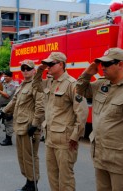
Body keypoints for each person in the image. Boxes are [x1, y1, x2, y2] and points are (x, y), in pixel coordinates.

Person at [34, 52, 88, 191]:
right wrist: (40, 69)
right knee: (53, 177)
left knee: (65, 179)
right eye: (48, 64)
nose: (48, 67)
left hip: (65, 140)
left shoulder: (71, 84)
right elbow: (36, 85)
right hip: (50, 138)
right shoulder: (50, 82)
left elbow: (81, 112)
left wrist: (76, 135)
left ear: (61, 65)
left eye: (51, 64)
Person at [76, 47, 123, 191]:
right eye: (102, 63)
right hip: (100, 155)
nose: (103, 67)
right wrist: (87, 73)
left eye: (107, 64)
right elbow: (80, 90)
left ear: (120, 64)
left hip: (119, 160)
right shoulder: (101, 85)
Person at [2, 60, 45, 191]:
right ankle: (28, 181)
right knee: (22, 157)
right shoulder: (22, 85)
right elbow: (14, 101)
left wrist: (35, 124)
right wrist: (3, 111)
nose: (25, 71)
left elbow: (40, 107)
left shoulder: (37, 85)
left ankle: (33, 184)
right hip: (20, 126)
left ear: (34, 71)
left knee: (30, 157)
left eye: (28, 68)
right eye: (23, 68)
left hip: (29, 127)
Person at [0, 71, 17, 146]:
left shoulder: (12, 85)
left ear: (10, 77)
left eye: (6, 76)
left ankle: (9, 139)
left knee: (9, 122)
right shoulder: (5, 83)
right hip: (4, 106)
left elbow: (7, 95)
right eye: (4, 76)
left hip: (9, 106)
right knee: (5, 122)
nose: (5, 78)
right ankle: (7, 137)